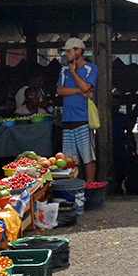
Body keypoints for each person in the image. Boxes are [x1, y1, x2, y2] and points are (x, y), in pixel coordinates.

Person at [56, 37, 97, 182]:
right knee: (70, 161)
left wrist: (73, 73)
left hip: (84, 120)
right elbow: (60, 90)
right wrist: (79, 91)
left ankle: (90, 188)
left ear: (78, 51)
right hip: (67, 120)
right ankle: (75, 188)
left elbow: (87, 87)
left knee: (88, 158)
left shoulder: (91, 68)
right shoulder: (63, 70)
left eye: (69, 51)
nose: (66, 54)